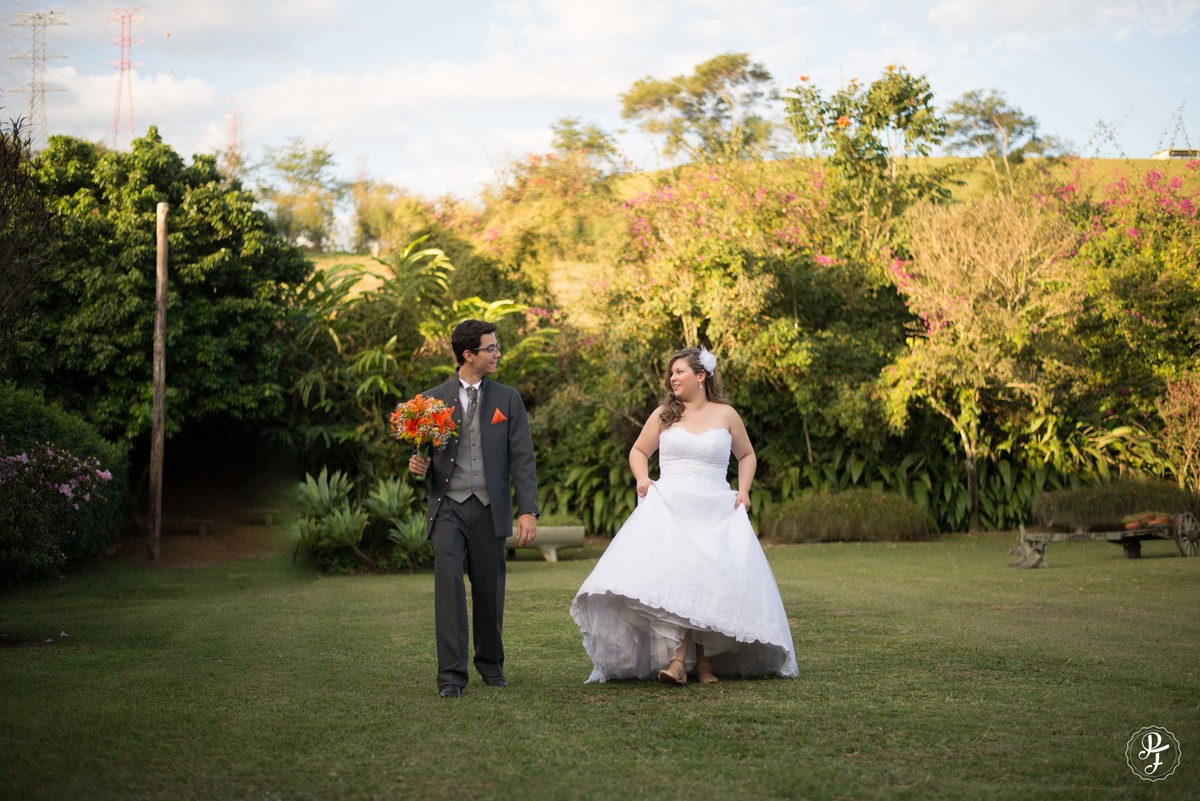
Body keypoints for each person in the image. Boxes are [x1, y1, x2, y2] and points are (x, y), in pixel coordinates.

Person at [570, 346, 797, 684]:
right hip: (672, 505)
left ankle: (698, 665)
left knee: (706, 581)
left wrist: (744, 491)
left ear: (701, 375)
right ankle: (686, 663)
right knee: (681, 578)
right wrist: (642, 478)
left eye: (680, 372)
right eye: (671, 373)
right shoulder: (664, 414)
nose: (673, 378)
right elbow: (638, 451)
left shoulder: (726, 415)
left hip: (715, 508)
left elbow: (747, 455)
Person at [408, 319, 539, 698]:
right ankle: (451, 676)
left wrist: (527, 509)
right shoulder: (431, 401)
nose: (497, 353)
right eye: (491, 348)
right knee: (448, 590)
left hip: (489, 507)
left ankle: (491, 666)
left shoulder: (507, 398)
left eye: (497, 347)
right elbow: (425, 458)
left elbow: (523, 458)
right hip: (448, 507)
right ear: (468, 355)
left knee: (489, 590)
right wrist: (418, 466)